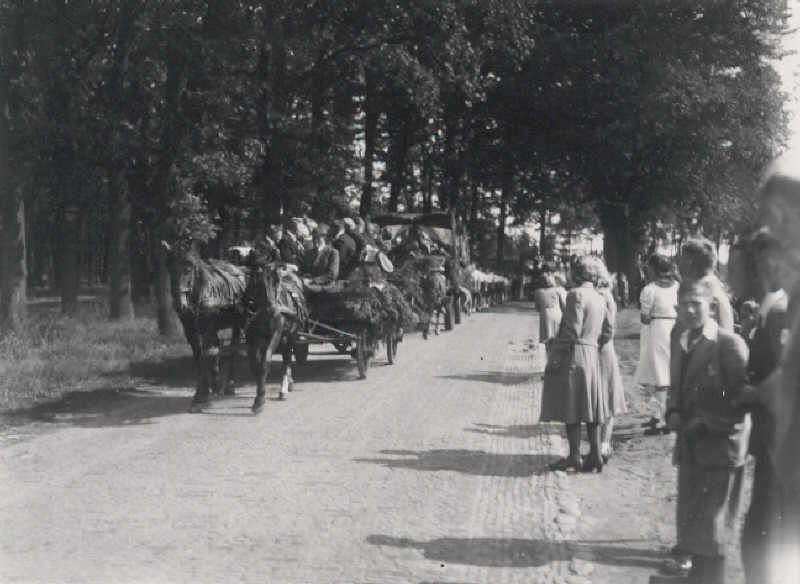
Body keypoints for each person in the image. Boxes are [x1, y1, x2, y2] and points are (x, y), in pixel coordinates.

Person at [665, 277, 751, 584]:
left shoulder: (728, 344)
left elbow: (741, 400)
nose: (689, 311)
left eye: (696, 304)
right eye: (683, 305)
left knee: (714, 528)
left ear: (712, 307)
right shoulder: (681, 341)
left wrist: (706, 421)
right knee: (691, 523)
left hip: (719, 447)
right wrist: (673, 411)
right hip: (690, 445)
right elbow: (675, 387)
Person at [734, 230, 791, 584]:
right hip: (772, 427)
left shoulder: (783, 308)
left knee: (768, 522)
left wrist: (752, 394)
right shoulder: (772, 305)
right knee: (763, 518)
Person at [540, 255, 610, 473]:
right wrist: (594, 345)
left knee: (571, 405)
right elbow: (608, 330)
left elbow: (571, 331)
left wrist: (556, 357)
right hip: (592, 353)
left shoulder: (576, 295)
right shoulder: (600, 296)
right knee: (591, 404)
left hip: (575, 352)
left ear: (577, 273)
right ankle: (596, 454)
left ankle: (574, 455)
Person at [635, 254, 679, 435]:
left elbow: (645, 317)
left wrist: (650, 315)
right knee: (668, 372)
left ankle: (661, 419)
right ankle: (659, 415)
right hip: (675, 328)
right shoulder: (678, 287)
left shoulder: (650, 290)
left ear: (654, 269)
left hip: (657, 330)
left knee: (659, 374)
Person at [598, 272, 626, 463]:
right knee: (607, 398)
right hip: (603, 349)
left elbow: (608, 329)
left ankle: (602, 445)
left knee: (602, 397)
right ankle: (603, 445)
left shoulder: (601, 296)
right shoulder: (606, 296)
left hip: (599, 349)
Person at [678, 237, 735, 332]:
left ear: (690, 262)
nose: (679, 265)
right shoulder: (712, 286)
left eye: (682, 259)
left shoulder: (706, 292)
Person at [533, 272, 567, 354]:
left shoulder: (538, 292)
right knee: (557, 339)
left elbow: (537, 308)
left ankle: (549, 358)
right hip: (557, 315)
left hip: (545, 317)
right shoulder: (559, 290)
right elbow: (564, 305)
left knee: (547, 341)